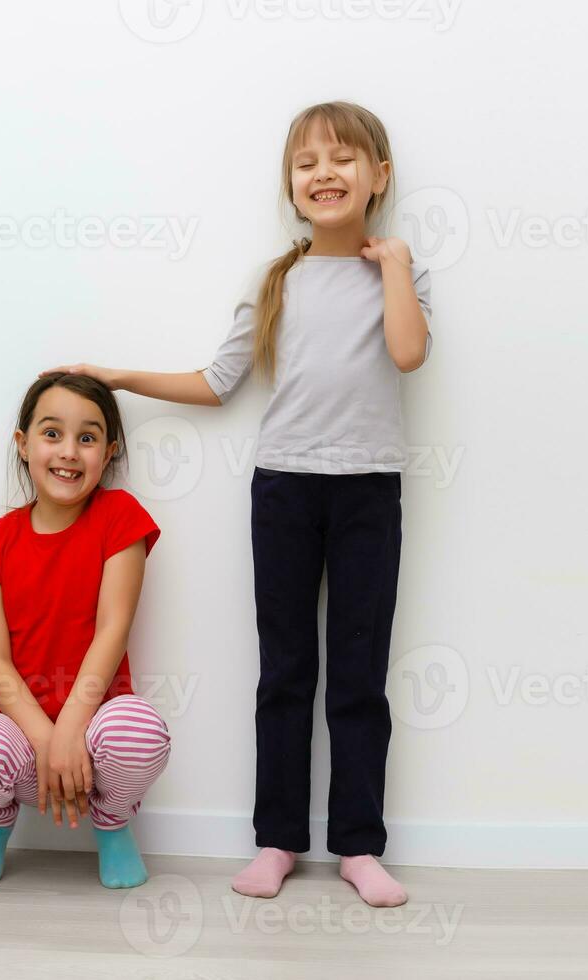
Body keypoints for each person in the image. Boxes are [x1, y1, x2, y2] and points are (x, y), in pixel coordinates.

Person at [42, 100, 431, 907]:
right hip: (285, 489)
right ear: (290, 186)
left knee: (358, 675)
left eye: (343, 159)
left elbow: (408, 351)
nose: (324, 174)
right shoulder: (276, 282)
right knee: (286, 670)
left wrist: (393, 264)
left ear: (378, 177)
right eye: (306, 163)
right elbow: (217, 383)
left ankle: (359, 846)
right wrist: (119, 377)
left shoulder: (402, 272)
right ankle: (279, 839)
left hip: (369, 491)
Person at [0, 373, 171, 888]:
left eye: (87, 438)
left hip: (91, 733)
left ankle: (112, 826)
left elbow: (113, 628)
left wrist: (70, 732)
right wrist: (46, 739)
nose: (69, 451)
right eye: (52, 433)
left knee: (139, 730)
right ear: (23, 445)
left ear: (108, 452)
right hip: (26, 737)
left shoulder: (119, 517)